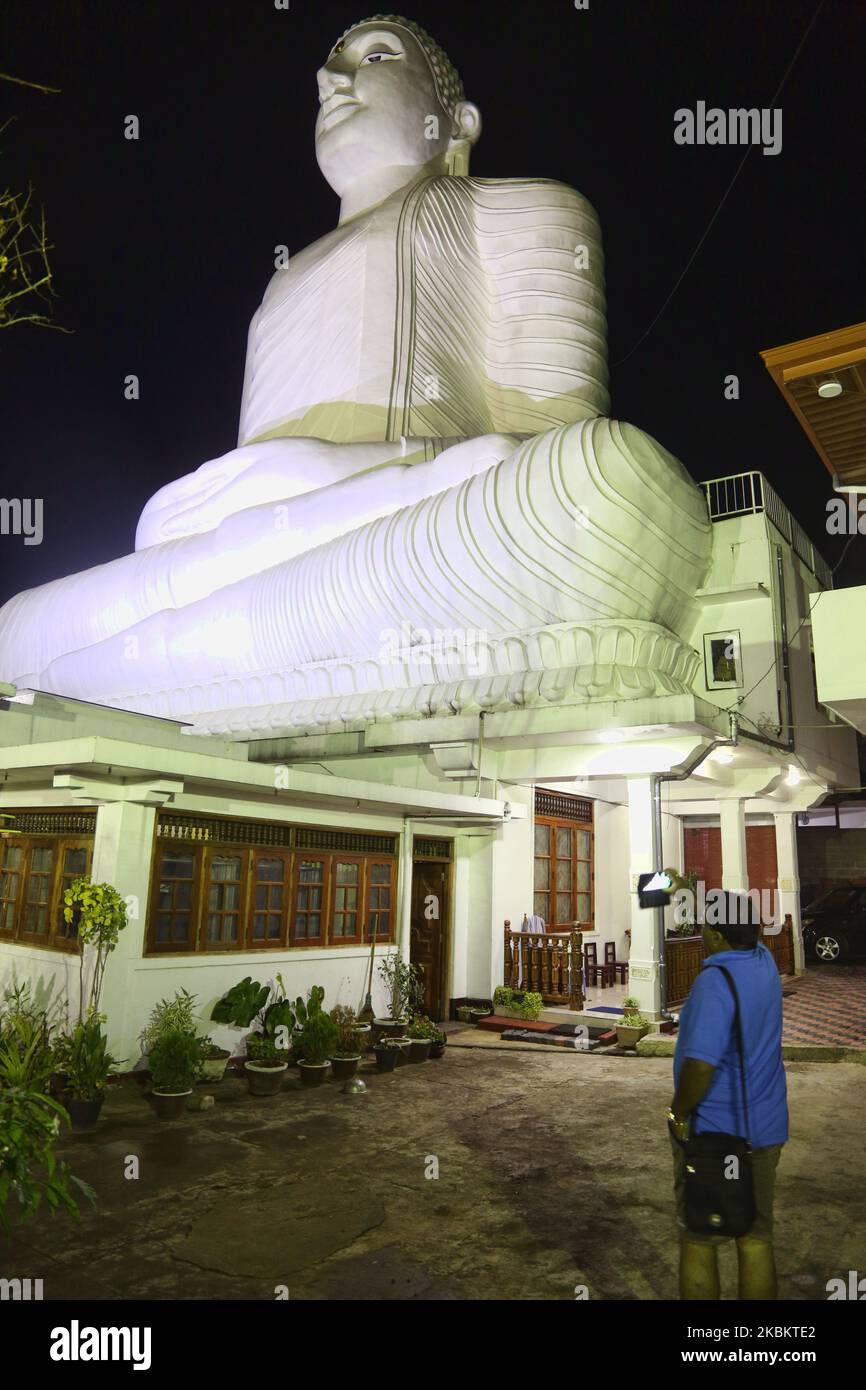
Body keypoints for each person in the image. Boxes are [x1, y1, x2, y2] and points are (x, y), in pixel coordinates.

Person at [667, 892, 788, 1299]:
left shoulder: (714, 983)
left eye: (705, 925)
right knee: (755, 1238)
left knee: (700, 1238)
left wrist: (679, 1112)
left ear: (716, 936)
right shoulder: (765, 963)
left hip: (716, 1137)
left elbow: (700, 1065)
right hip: (766, 1130)